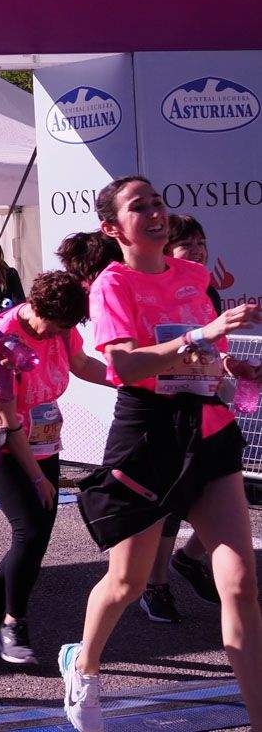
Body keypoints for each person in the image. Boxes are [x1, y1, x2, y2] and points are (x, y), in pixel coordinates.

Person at [57, 176, 262, 732]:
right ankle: (83, 663)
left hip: (209, 430)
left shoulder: (193, 276)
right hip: (149, 435)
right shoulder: (112, 283)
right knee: (127, 582)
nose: (155, 213)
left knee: (240, 585)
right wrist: (199, 336)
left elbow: (209, 355)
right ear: (112, 228)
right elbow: (125, 366)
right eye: (138, 206)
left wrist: (238, 369)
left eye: (158, 203)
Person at [0, 272, 109, 666]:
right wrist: (36, 478)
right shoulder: (2, 341)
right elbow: (6, 421)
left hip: (44, 441)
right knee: (29, 529)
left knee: (35, 540)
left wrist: (129, 380)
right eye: (55, 327)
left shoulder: (61, 329)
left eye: (66, 330)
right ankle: (12, 623)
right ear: (36, 308)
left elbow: (82, 364)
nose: (58, 336)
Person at [136, 214, 224, 624]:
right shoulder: (147, 288)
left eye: (201, 242)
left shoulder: (208, 291)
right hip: (163, 410)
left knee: (219, 492)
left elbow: (217, 350)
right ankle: (154, 586)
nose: (198, 251)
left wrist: (234, 368)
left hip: (207, 405)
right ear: (167, 250)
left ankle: (188, 559)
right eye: (188, 243)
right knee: (169, 503)